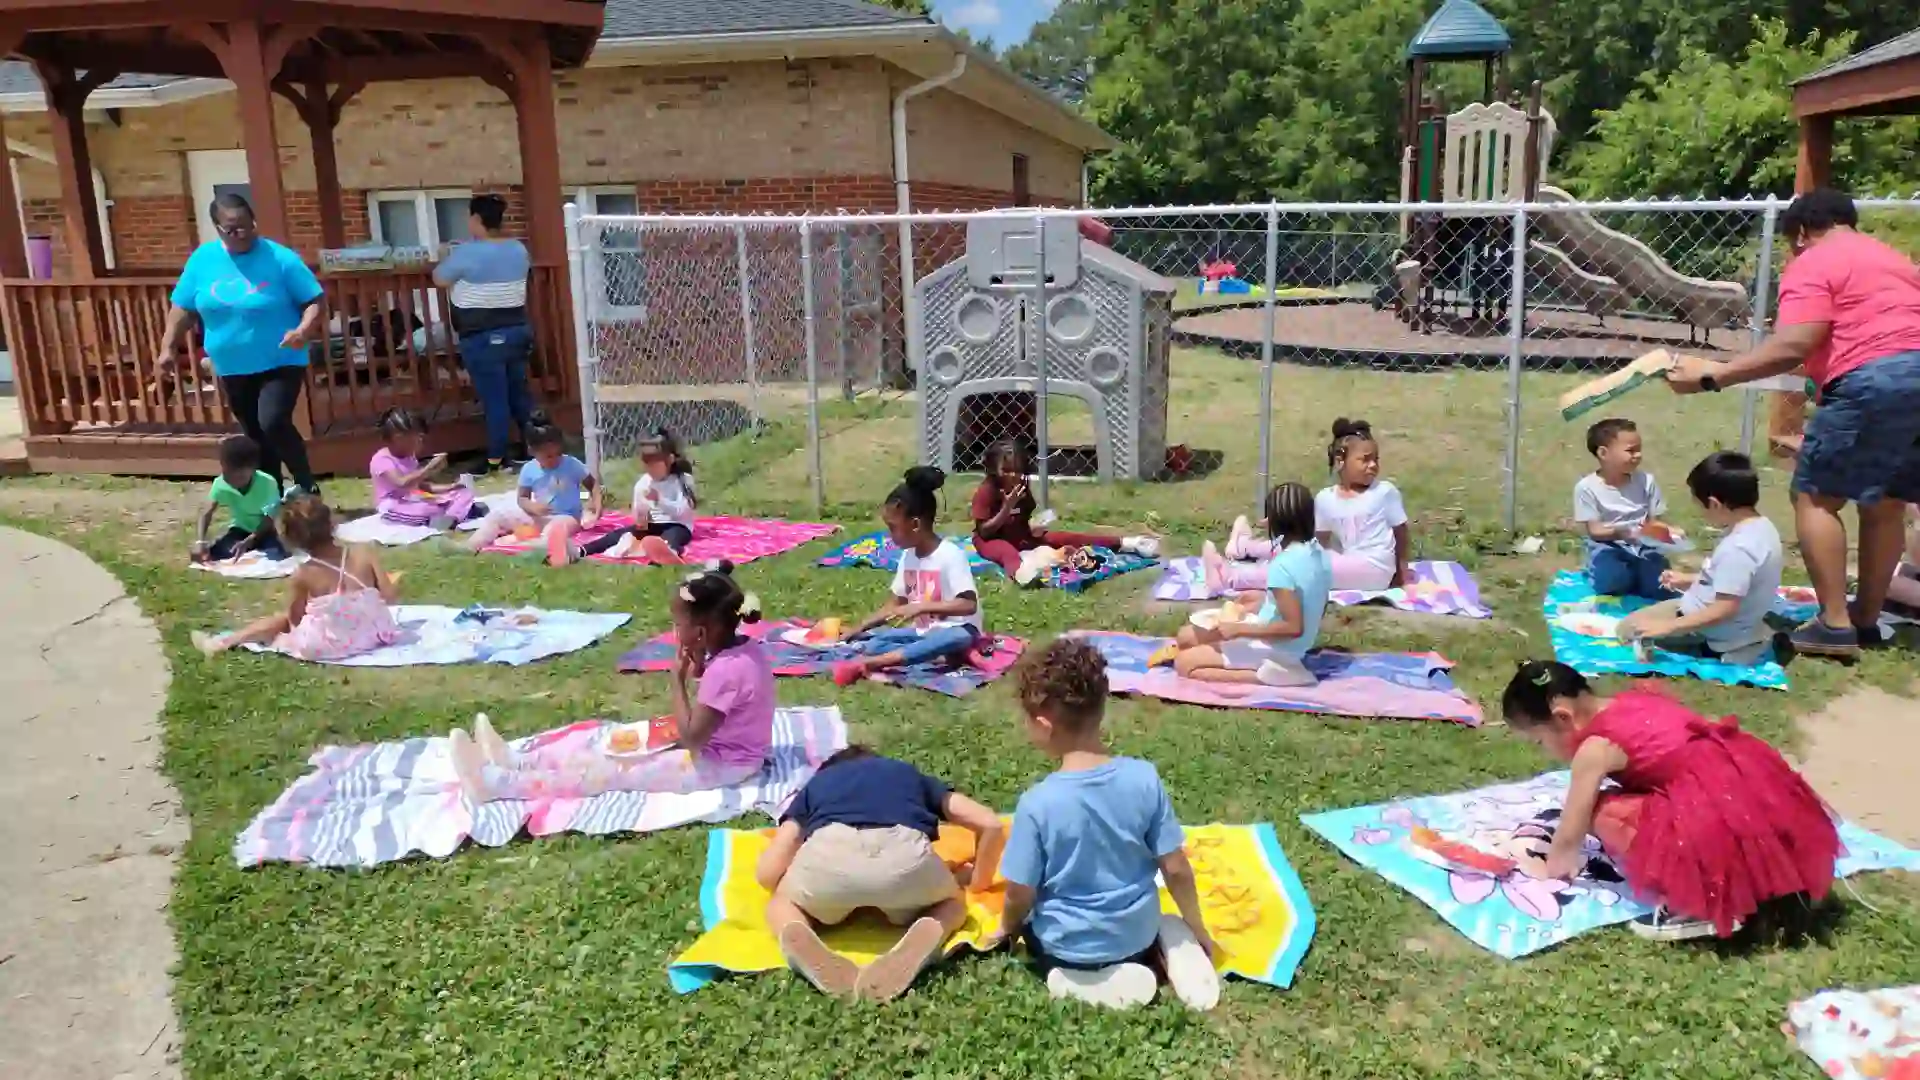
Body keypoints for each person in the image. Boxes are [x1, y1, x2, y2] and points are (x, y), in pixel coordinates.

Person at [1667, 188, 1920, 657]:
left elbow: (1794, 344)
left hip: (1872, 379)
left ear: (1801, 233)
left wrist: (1713, 375)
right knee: (1888, 500)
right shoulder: (1895, 262)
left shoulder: (1813, 260)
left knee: (1815, 496)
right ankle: (1865, 619)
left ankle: (1835, 626)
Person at [1499, 660, 1839, 941]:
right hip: (1756, 793)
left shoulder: (1595, 748)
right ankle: (1766, 883)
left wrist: (1546, 869)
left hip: (1712, 812)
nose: (1544, 751)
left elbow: (1568, 840)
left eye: (1539, 742)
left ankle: (1699, 904)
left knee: (1602, 813)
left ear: (1562, 718)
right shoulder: (1635, 702)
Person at [995, 637, 1220, 1011]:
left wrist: (1009, 929)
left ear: (1043, 723)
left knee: (1040, 930)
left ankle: (1076, 978)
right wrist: (1197, 926)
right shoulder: (1144, 778)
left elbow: (1020, 892)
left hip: (1062, 945)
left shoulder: (1037, 803)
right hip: (1136, 936)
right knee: (1165, 920)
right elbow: (1176, 868)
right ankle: (1161, 953)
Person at [448, 562, 773, 800]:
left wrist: (676, 681)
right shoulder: (741, 650)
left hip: (725, 764)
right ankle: (519, 760)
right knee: (614, 749)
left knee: (614, 772)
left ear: (700, 632)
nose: (675, 630)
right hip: (724, 750)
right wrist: (699, 660)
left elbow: (693, 740)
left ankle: (495, 784)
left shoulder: (727, 671)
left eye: (678, 623)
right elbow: (722, 700)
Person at [755, 746, 1006, 1002]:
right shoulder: (907, 775)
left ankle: (795, 931)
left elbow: (768, 873)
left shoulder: (817, 784)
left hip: (830, 850)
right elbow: (991, 824)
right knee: (951, 905)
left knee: (781, 903)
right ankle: (930, 929)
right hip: (906, 858)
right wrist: (977, 881)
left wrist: (792, 883)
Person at [157, 192, 325, 498]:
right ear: (217, 229)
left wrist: (303, 330)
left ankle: (306, 484)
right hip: (232, 364)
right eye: (233, 229)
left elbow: (313, 299)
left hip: (281, 358)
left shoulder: (279, 257)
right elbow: (182, 307)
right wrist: (168, 346)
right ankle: (272, 495)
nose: (243, 234)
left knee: (272, 421)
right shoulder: (202, 260)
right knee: (255, 433)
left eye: (248, 226)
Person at [1618, 452, 1783, 666]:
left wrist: (1669, 628)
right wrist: (1689, 580)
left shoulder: (1738, 548)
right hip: (1732, 618)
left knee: (1627, 630)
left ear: (1714, 504)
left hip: (1710, 629)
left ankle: (1735, 648)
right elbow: (1735, 580)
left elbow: (1724, 608)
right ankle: (1746, 637)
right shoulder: (1761, 527)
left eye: (1700, 506)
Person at [192, 496, 400, 660]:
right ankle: (228, 640)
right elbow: (389, 596)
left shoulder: (304, 573)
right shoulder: (364, 553)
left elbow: (295, 620)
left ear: (293, 539)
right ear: (332, 524)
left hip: (332, 643)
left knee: (280, 620)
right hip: (374, 633)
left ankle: (225, 642)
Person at [1213, 419, 1408, 593]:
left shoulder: (1384, 492)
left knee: (1301, 566)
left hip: (1375, 570)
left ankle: (1230, 577)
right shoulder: (1326, 498)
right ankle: (1246, 547)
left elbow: (1401, 534)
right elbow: (1313, 544)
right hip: (1348, 562)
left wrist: (1401, 574)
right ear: (1340, 462)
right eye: (1365, 459)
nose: (1373, 465)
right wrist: (1281, 520)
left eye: (1376, 459)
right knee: (1303, 554)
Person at [1170, 482, 1331, 688]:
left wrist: (1239, 630)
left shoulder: (1283, 565)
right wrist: (1266, 601)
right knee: (1185, 638)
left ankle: (1273, 676)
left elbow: (1293, 627)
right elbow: (1314, 602)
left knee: (1184, 663)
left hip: (1275, 649)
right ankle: (1275, 667)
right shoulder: (1320, 555)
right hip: (1289, 645)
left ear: (1272, 521)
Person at [831, 467, 983, 686]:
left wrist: (921, 607)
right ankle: (925, 655)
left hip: (958, 631)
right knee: (876, 641)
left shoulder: (950, 555)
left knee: (955, 638)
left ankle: (871, 664)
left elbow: (968, 605)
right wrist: (859, 627)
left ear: (915, 525)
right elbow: (894, 605)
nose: (890, 535)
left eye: (893, 528)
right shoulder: (907, 557)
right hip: (923, 634)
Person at [434, 193, 537, 473]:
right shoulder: (518, 249)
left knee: (495, 398)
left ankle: (496, 457)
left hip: (482, 335)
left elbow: (440, 278)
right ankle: (536, 448)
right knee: (519, 394)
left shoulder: (466, 253)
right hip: (517, 330)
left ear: (476, 219)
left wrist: (446, 255)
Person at [970, 440, 1158, 584]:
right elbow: (984, 531)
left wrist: (1033, 526)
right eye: (1007, 470)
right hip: (991, 540)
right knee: (1006, 552)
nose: (1013, 475)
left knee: (1064, 537)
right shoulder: (988, 490)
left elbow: (1024, 514)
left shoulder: (1022, 484)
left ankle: (1127, 543)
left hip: (1020, 535)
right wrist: (1006, 508)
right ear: (994, 469)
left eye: (1018, 470)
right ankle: (1022, 575)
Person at [464, 411, 602, 566]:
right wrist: (532, 506)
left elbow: (593, 485)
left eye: (558, 453)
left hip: (567, 517)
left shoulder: (572, 464)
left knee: (554, 532)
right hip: (538, 516)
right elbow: (522, 498)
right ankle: (470, 546)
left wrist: (597, 507)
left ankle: (528, 549)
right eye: (548, 456)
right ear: (532, 451)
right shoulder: (529, 470)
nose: (554, 459)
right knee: (496, 515)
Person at [1573, 418, 1672, 599]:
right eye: (1630, 451)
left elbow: (1656, 521)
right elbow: (1595, 531)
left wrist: (1665, 533)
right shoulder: (1586, 487)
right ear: (1603, 453)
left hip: (1644, 544)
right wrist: (1625, 533)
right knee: (1612, 584)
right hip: (1607, 545)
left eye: (1639, 449)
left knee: (1659, 587)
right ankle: (1603, 571)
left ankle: (1638, 571)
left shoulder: (1646, 481)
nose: (1638, 455)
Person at [577, 429, 697, 564]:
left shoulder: (682, 480)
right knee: (618, 534)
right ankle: (581, 551)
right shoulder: (643, 483)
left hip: (677, 525)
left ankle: (668, 554)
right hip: (652, 526)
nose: (650, 469)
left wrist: (660, 500)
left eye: (654, 464)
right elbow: (639, 513)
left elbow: (682, 512)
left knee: (672, 536)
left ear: (670, 460)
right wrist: (641, 517)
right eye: (647, 464)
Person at [369, 408, 479, 530]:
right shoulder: (382, 459)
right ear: (398, 438)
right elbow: (401, 483)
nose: (420, 441)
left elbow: (421, 486)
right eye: (416, 437)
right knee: (428, 508)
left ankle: (450, 519)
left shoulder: (409, 457)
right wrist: (429, 468)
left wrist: (452, 486)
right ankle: (458, 513)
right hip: (392, 507)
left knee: (462, 493)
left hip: (412, 499)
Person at [191, 434, 288, 563]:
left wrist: (251, 540)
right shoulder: (221, 484)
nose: (231, 481)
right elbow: (206, 512)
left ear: (253, 470)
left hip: (265, 531)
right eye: (226, 474)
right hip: (240, 529)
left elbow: (269, 519)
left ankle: (253, 548)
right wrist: (200, 541)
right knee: (215, 553)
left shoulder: (267, 483)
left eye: (239, 477)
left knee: (276, 554)